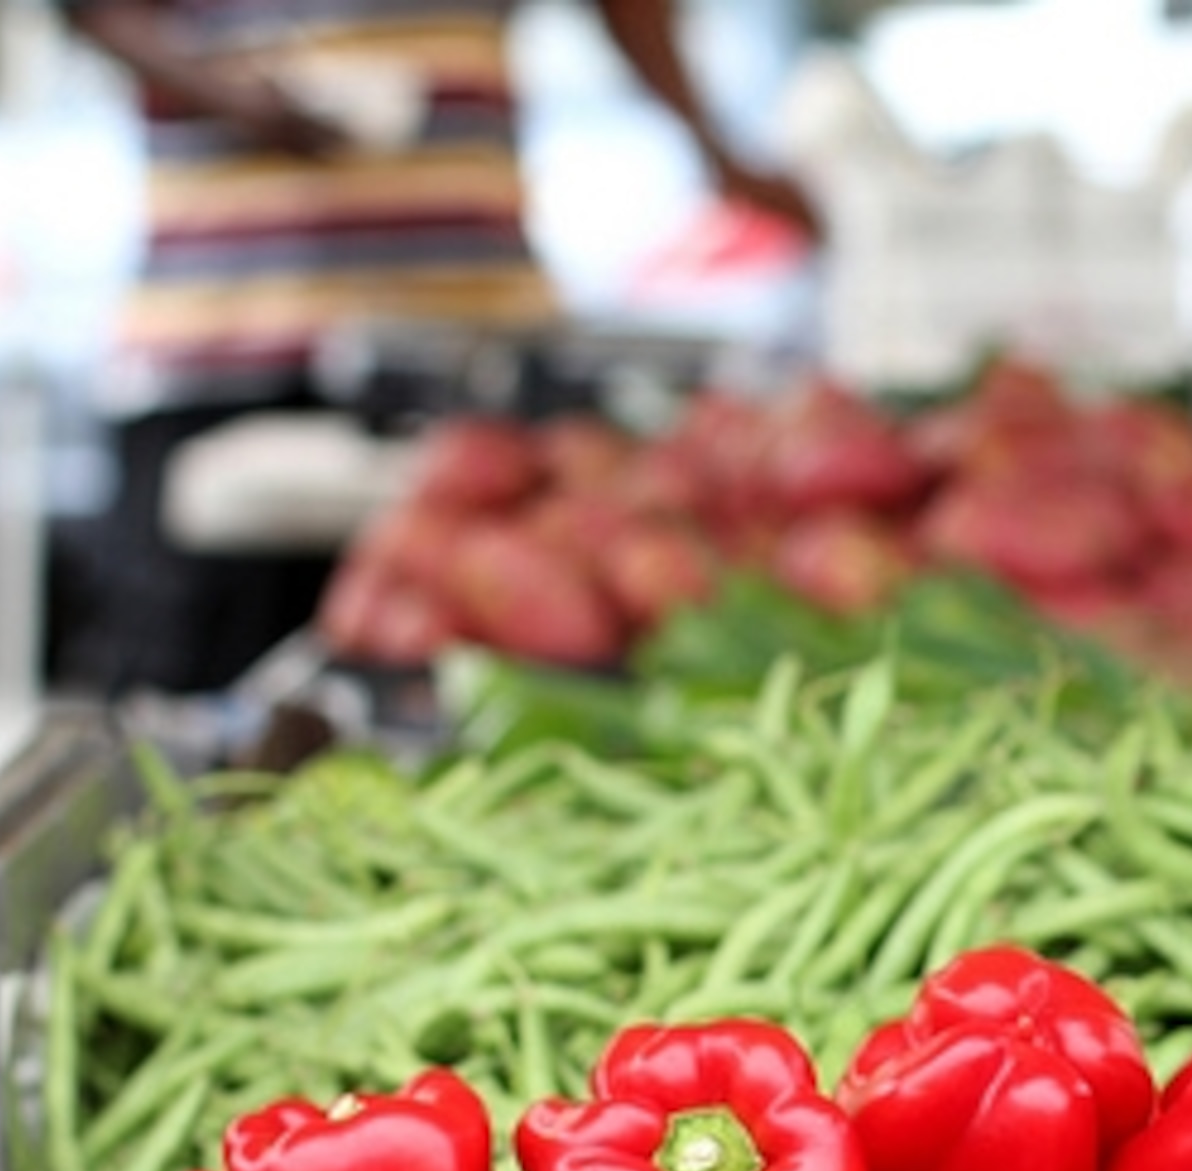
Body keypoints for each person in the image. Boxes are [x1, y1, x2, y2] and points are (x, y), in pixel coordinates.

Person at [60, 0, 818, 699]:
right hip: (231, 330)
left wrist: (714, 148)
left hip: (473, 341)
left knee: (490, 701)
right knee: (191, 707)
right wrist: (224, 93)